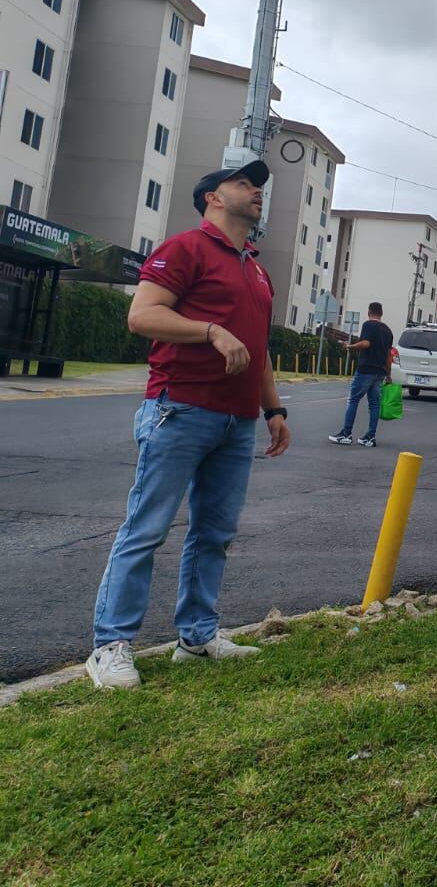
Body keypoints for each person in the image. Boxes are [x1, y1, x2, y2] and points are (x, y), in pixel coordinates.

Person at [85, 160, 292, 691]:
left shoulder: (257, 268)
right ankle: (109, 645)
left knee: (214, 533)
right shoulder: (184, 249)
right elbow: (142, 316)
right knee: (146, 528)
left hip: (237, 421)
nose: (257, 192)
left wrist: (274, 410)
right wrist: (209, 331)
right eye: (245, 183)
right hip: (179, 409)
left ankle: (197, 637)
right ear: (212, 198)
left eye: (259, 186)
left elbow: (259, 347)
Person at [329, 302, 392, 448]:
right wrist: (388, 374)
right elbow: (389, 355)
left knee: (353, 400)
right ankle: (370, 437)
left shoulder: (369, 325)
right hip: (380, 372)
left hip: (366, 369)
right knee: (374, 404)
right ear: (381, 313)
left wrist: (349, 347)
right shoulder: (388, 331)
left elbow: (365, 343)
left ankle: (346, 434)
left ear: (369, 312)